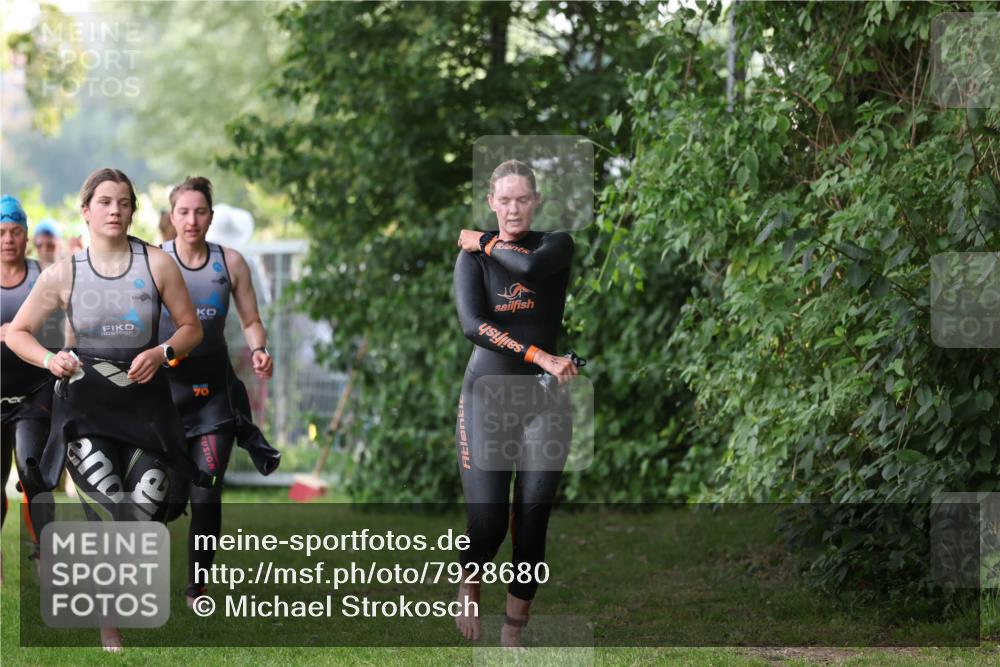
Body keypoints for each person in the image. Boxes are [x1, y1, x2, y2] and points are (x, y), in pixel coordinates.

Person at [5, 168, 211, 652]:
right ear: (86, 210)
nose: (115, 210)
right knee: (106, 511)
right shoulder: (65, 272)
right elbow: (17, 332)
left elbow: (191, 329)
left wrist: (162, 352)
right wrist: (50, 359)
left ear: (133, 210)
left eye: (123, 202)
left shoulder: (157, 264)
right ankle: (108, 626)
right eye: (104, 202)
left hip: (147, 411)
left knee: (140, 516)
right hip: (85, 411)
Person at [452, 159, 579, 647]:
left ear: (536, 201)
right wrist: (538, 355)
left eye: (522, 199)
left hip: (544, 402)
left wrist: (485, 241)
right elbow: (473, 326)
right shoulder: (472, 261)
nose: (512, 209)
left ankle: (512, 630)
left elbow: (526, 267)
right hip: (486, 398)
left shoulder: (555, 245)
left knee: (532, 517)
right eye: (503, 200)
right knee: (488, 522)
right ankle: (469, 578)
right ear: (491, 202)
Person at [159, 176, 277, 608]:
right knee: (167, 500)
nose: (192, 220)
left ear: (210, 215)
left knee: (207, 491)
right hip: (164, 399)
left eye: (200, 212)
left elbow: (250, 320)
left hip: (213, 398)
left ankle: (196, 588)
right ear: (172, 217)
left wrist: (259, 349)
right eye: (184, 212)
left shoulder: (230, 263)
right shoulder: (155, 262)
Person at [0, 196, 56, 583]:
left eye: (16, 231)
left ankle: (45, 555)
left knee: (33, 471)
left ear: (26, 235)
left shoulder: (44, 277)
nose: (8, 239)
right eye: (2, 232)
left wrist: (23, 334)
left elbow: (65, 332)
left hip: (34, 394)